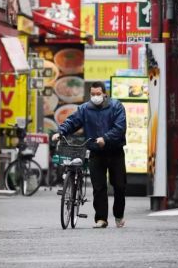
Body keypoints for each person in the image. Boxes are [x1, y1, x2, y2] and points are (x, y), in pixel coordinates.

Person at [52, 81, 127, 229]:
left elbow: (120, 127)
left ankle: (118, 215)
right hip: (96, 151)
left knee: (119, 185)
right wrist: (60, 132)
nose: (95, 97)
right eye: (92, 94)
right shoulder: (85, 109)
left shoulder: (116, 107)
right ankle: (101, 219)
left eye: (98, 94)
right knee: (98, 187)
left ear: (105, 94)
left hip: (115, 151)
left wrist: (105, 138)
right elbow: (72, 122)